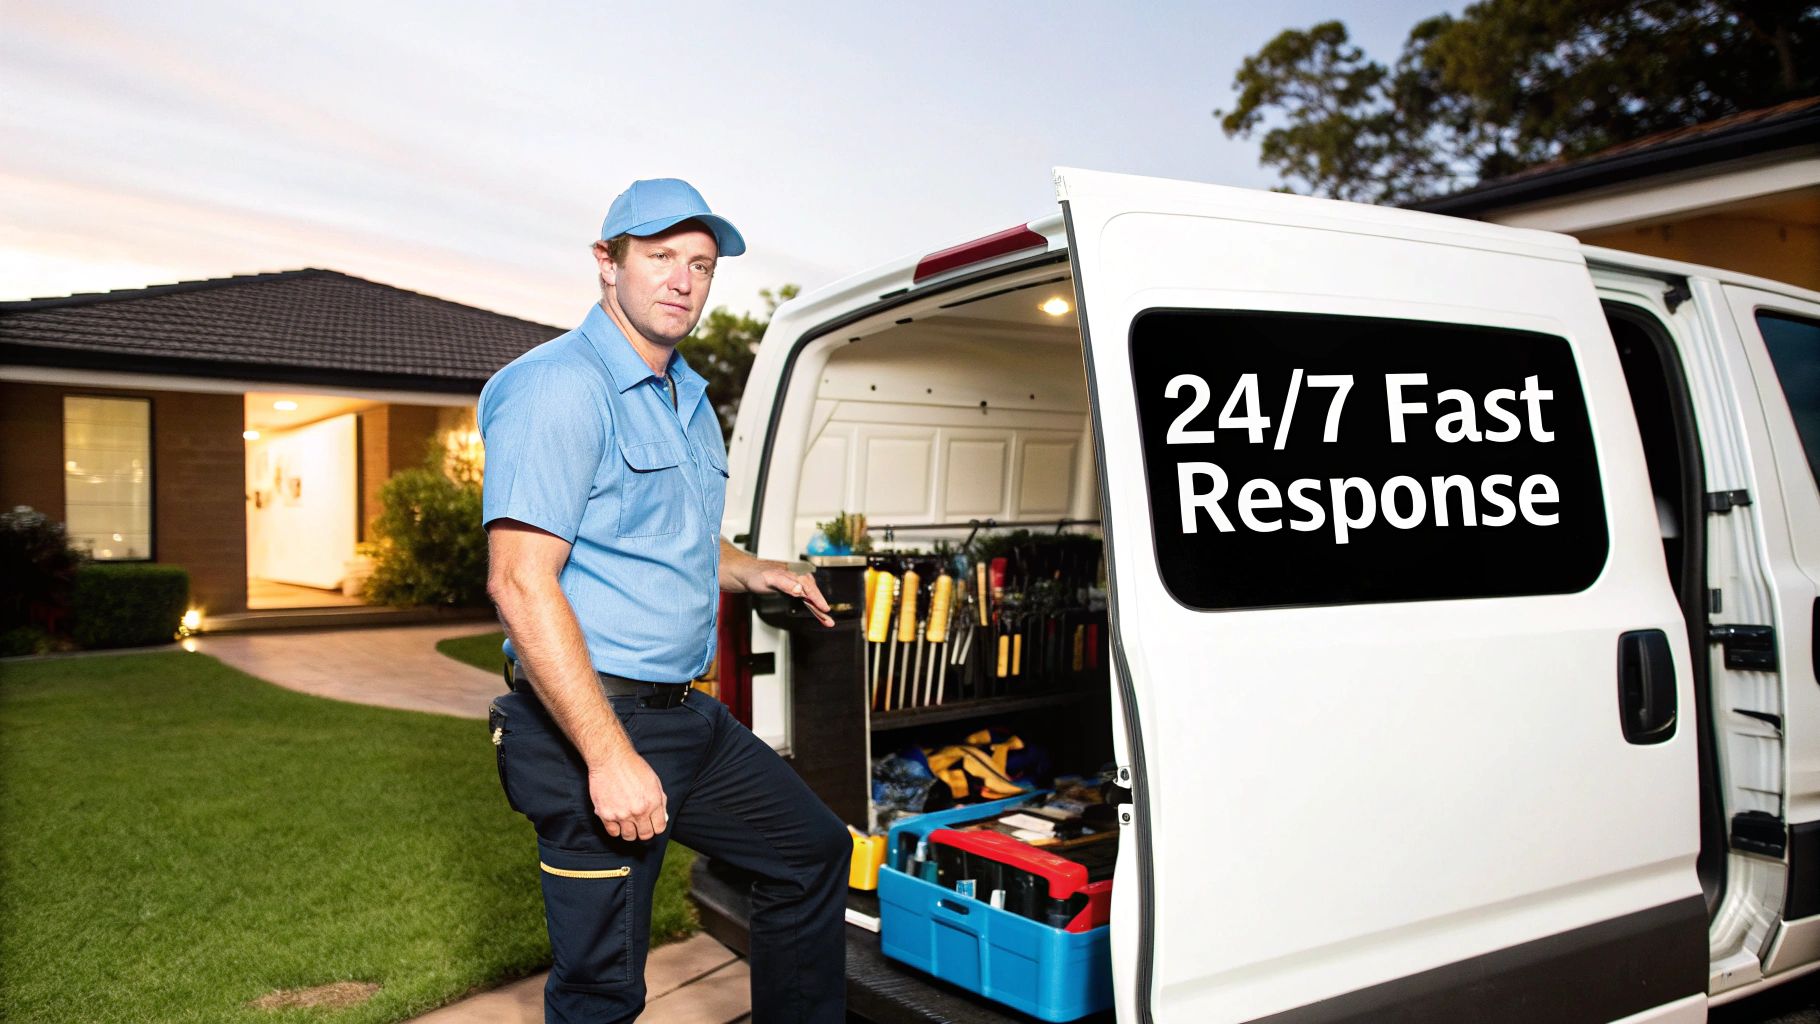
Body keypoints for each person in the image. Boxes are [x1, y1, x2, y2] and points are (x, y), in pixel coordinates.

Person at [479, 177, 850, 1024]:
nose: (684, 280)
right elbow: (520, 579)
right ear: (606, 264)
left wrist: (755, 569)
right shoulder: (556, 389)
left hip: (687, 719)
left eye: (702, 264)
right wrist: (609, 759)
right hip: (589, 724)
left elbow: (661, 532)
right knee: (604, 989)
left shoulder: (688, 396)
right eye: (660, 257)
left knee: (810, 853)